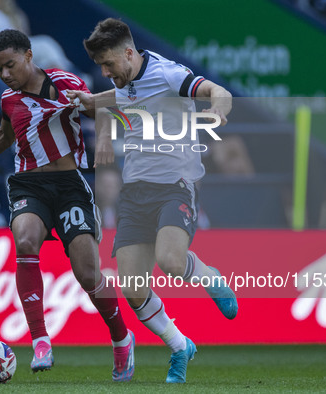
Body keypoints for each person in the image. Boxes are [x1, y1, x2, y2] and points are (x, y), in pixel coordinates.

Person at [0, 29, 135, 381]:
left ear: (29, 57)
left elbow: (102, 106)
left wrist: (103, 141)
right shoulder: (8, 100)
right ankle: (40, 338)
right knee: (25, 240)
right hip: (28, 183)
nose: (5, 75)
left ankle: (121, 337)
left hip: (70, 185)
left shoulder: (64, 83)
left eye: (10, 65)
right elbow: (3, 135)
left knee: (88, 273)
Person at [68, 18, 238, 384]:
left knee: (171, 261)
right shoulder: (127, 81)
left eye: (108, 64)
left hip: (176, 185)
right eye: (100, 65)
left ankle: (210, 277)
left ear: (128, 53)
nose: (104, 71)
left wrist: (219, 108)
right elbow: (119, 97)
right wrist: (90, 102)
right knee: (131, 288)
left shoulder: (168, 74)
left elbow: (215, 89)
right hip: (135, 193)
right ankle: (180, 346)